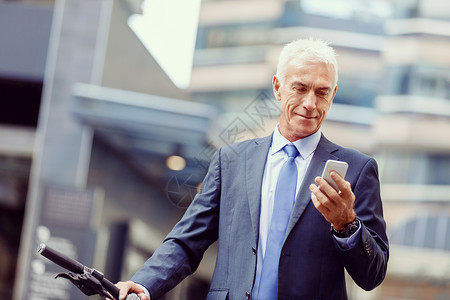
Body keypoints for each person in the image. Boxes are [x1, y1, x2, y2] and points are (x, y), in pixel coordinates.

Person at [115, 38, 389, 300]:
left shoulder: (358, 170)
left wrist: (347, 224)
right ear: (277, 87)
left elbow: (372, 275)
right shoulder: (230, 161)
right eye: (300, 88)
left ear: (333, 96)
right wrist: (143, 283)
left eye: (321, 92)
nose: (310, 103)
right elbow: (187, 241)